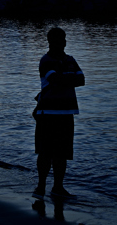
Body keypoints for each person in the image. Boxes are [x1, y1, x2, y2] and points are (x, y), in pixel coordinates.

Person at [33, 27, 85, 199]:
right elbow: (55, 79)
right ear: (50, 41)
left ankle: (58, 187)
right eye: (57, 39)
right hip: (47, 112)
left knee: (62, 153)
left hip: (67, 112)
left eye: (63, 39)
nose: (61, 42)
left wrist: (62, 79)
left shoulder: (70, 59)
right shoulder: (45, 60)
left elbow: (81, 80)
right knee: (45, 152)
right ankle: (41, 186)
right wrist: (68, 79)